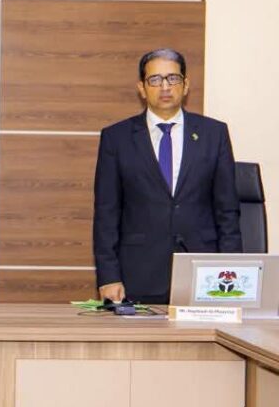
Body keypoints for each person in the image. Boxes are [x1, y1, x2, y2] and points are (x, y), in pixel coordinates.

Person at [93, 48, 241, 304]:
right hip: (139, 274)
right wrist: (108, 276)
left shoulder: (214, 134)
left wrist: (231, 273)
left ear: (186, 85)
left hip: (204, 273)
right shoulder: (116, 138)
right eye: (155, 79)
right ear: (142, 88)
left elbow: (227, 210)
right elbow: (107, 212)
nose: (165, 86)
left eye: (173, 78)